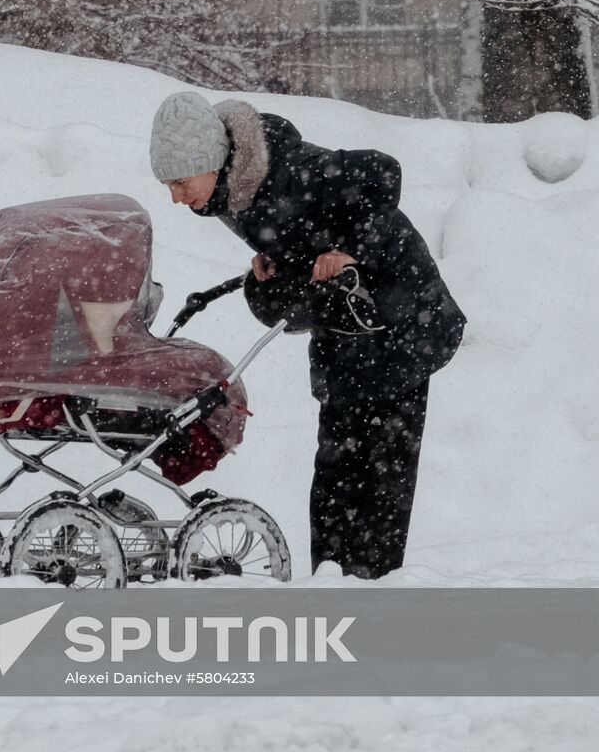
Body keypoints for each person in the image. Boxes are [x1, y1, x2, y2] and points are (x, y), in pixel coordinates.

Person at [148, 90, 466, 579]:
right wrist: (272, 272)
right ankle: (331, 579)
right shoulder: (232, 192)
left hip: (404, 319)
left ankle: (375, 588)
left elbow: (383, 172)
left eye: (179, 181)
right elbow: (300, 241)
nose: (175, 196)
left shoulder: (290, 170)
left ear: (207, 161)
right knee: (336, 465)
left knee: (381, 471)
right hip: (345, 323)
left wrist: (348, 249)